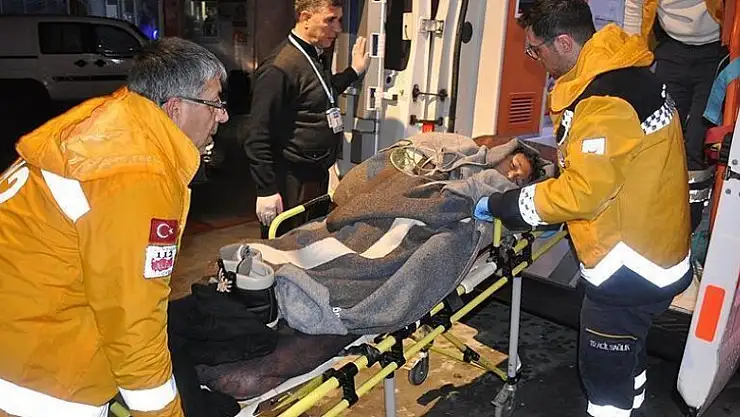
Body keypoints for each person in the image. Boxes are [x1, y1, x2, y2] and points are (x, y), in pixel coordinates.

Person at [474, 1, 693, 416]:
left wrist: (509, 204)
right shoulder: (626, 72)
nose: (534, 59)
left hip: (628, 269)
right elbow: (610, 166)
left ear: (563, 42)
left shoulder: (604, 101)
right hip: (656, 242)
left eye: (535, 49)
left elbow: (584, 193)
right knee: (629, 356)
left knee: (605, 377)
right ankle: (634, 402)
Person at [0, 37, 229, 417]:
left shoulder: (106, 122)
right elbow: (133, 323)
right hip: (39, 382)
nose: (222, 117)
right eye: (215, 103)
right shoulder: (139, 176)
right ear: (175, 108)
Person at [244, 0, 370, 233]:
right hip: (291, 180)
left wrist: (353, 71)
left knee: (309, 241)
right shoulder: (278, 68)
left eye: (339, 20)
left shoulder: (313, 56)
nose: (337, 29)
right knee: (287, 245)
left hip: (313, 176)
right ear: (305, 18)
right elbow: (257, 135)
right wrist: (266, 189)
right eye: (330, 20)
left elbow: (321, 92)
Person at [623, 0, 726, 232]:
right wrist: (631, 59)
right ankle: (656, 212)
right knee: (662, 135)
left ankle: (690, 221)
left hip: (716, 49)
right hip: (671, 47)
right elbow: (634, 7)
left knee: (698, 140)